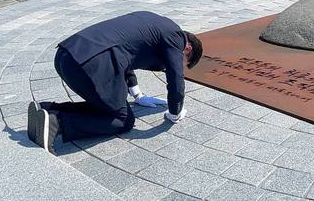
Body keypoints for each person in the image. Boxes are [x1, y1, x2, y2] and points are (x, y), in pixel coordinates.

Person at [26, 11, 203, 153]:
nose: (176, 65)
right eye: (183, 62)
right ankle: (57, 122)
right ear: (187, 48)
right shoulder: (176, 37)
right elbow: (176, 78)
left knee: (107, 108)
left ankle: (47, 110)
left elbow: (128, 52)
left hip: (67, 54)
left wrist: (137, 94)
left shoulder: (155, 22)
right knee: (123, 119)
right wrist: (175, 112)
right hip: (91, 64)